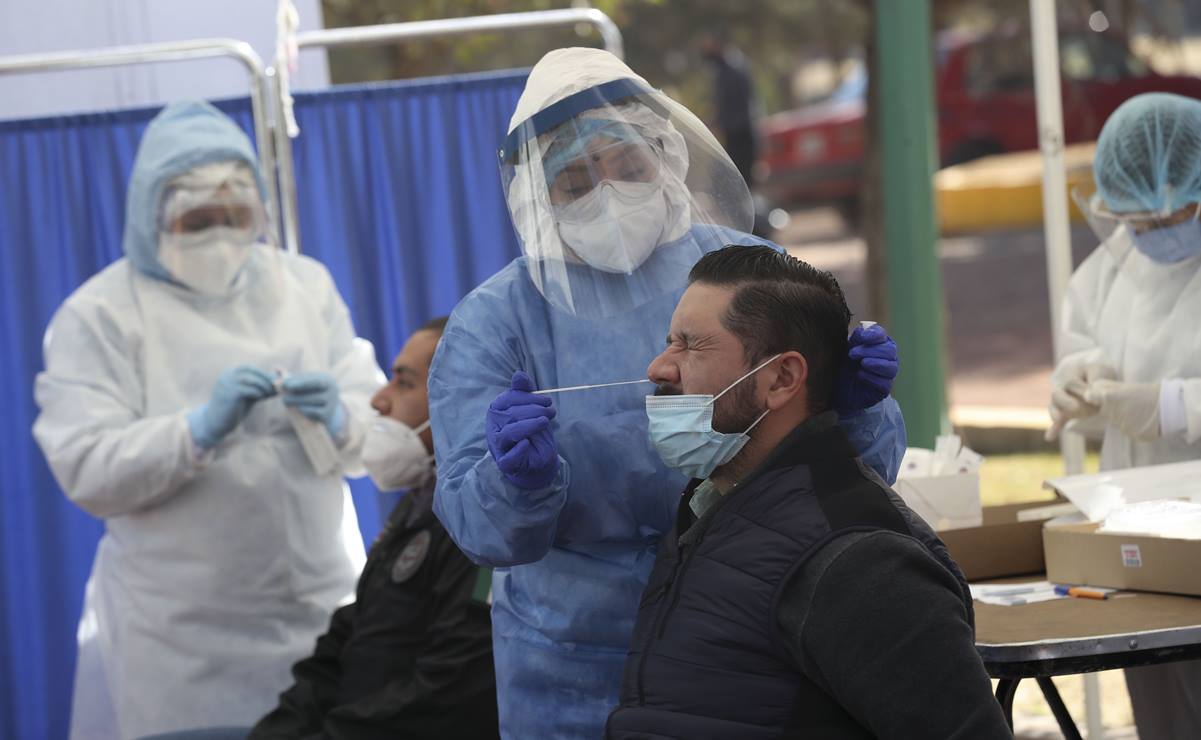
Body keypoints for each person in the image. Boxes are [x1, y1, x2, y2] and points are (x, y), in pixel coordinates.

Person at [428, 47, 905, 738]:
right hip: (573, 667)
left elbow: (856, 480)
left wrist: (856, 409)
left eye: (627, 167)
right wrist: (517, 483)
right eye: (574, 181)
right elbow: (478, 528)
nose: (609, 192)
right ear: (538, 197)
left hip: (749, 631)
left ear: (665, 156)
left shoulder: (750, 275)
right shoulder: (496, 321)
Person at [32, 100, 384, 740]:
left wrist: (340, 418)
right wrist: (195, 431)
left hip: (321, 613)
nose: (221, 235)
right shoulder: (101, 315)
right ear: (151, 216)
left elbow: (380, 438)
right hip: (180, 651)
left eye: (235, 217)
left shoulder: (303, 286)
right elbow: (85, 467)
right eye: (198, 220)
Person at [606, 246, 1009, 739]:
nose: (658, 368)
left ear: (781, 379)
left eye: (691, 346)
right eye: (670, 342)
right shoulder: (713, 508)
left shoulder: (861, 562)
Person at [246, 316, 499, 740]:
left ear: (463, 400)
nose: (379, 401)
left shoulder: (488, 524)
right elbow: (348, 636)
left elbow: (450, 690)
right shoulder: (419, 506)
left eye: (403, 383)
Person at [1048, 92, 1201, 740]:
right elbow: (1082, 343)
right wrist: (1079, 385)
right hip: (1139, 544)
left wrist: (1174, 407)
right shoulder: (1114, 265)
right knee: (1162, 711)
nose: (1148, 234)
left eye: (1165, 217)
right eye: (1135, 221)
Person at [700, 33, 757, 188]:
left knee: (741, 178)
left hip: (740, 133)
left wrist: (720, 122)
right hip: (736, 131)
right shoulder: (727, 67)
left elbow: (732, 102)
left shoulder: (731, 68)